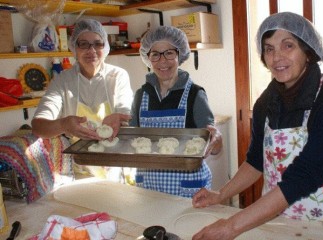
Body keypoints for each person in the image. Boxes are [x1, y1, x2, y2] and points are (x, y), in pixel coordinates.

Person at [192, 12, 323, 239]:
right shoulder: (266, 103)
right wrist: (220, 194)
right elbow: (256, 162)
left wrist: (232, 225)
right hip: (283, 223)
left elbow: (305, 175)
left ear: (307, 51)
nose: (277, 57)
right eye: (269, 49)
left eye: (288, 45)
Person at [32, 19, 133, 179]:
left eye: (97, 44)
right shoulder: (62, 81)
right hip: (78, 169)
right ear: (74, 48)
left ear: (105, 47)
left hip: (114, 163)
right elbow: (38, 127)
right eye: (83, 44)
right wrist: (63, 124)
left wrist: (119, 118)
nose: (91, 50)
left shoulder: (117, 76)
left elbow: (125, 113)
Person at [129, 25, 222, 198]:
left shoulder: (195, 95)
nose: (162, 61)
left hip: (187, 188)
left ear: (180, 55)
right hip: (149, 187)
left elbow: (214, 146)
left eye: (169, 53)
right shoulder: (141, 95)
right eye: (155, 54)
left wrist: (217, 140)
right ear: (147, 58)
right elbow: (130, 140)